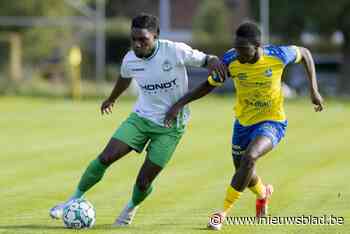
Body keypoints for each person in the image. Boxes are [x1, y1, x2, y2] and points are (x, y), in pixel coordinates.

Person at [49, 13, 225, 226]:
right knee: (105, 157)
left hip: (171, 127)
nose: (138, 44)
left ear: (156, 36)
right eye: (134, 39)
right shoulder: (130, 59)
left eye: (143, 39)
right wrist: (112, 98)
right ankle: (72, 200)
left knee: (143, 181)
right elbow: (124, 77)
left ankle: (131, 208)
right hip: (140, 119)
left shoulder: (175, 51)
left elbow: (208, 59)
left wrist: (215, 63)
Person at [164, 22, 324, 230]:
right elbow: (208, 85)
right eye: (236, 48)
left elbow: (305, 53)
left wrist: (314, 90)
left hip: (272, 121)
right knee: (243, 169)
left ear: (258, 46)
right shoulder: (231, 59)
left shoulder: (277, 55)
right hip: (243, 123)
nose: (238, 53)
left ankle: (221, 213)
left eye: (243, 49)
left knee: (250, 157)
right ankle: (263, 194)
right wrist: (179, 104)